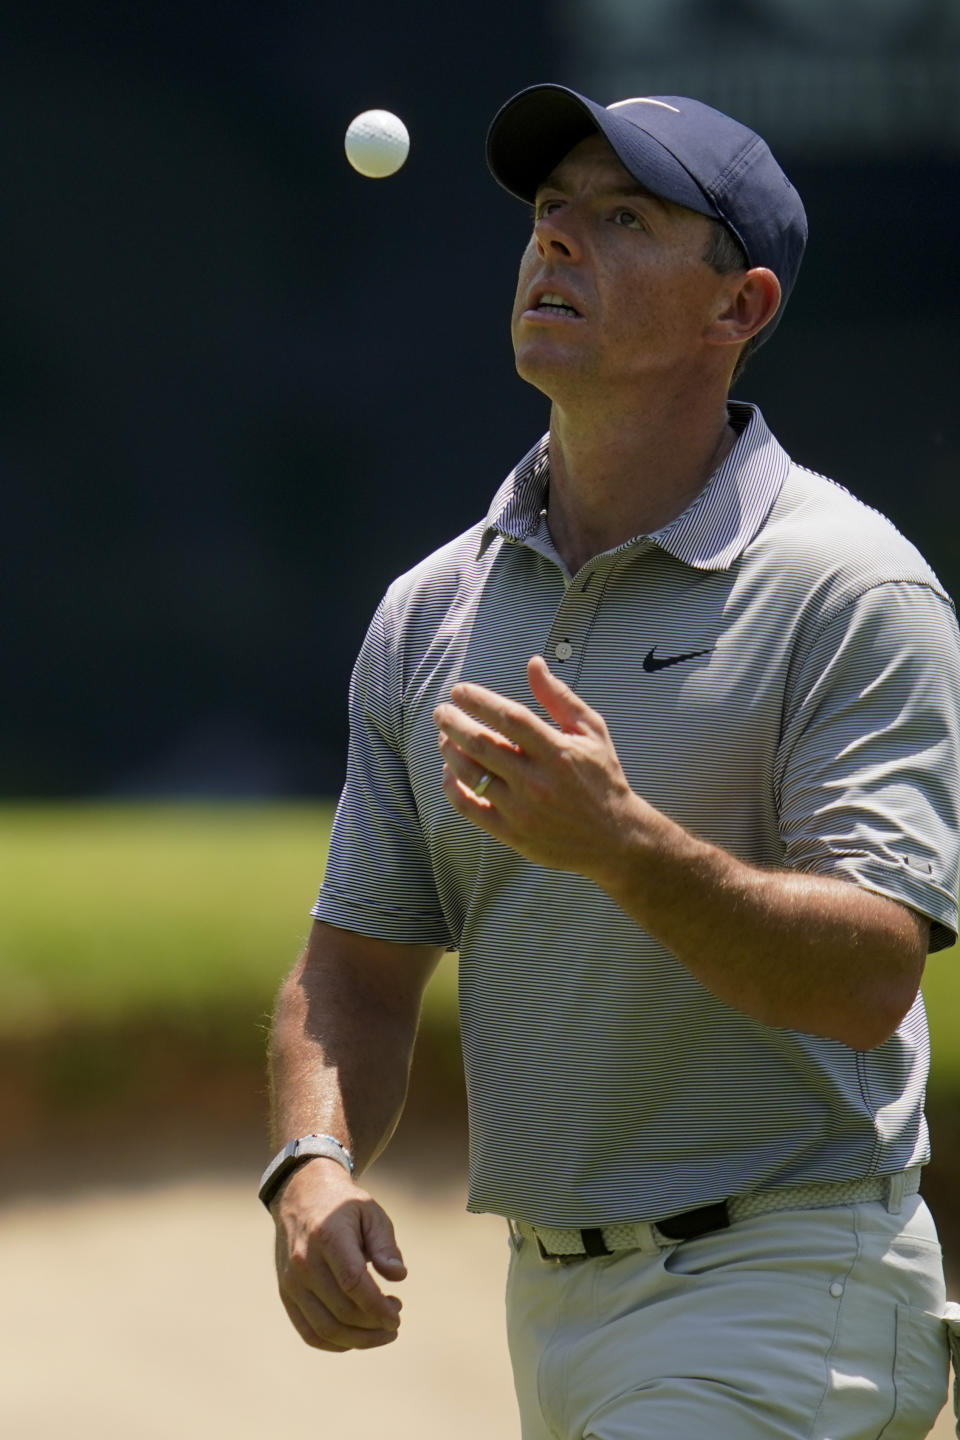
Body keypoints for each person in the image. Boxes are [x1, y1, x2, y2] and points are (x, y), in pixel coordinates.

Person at [262, 84, 960, 1438]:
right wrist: (312, 1160)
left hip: (788, 1289)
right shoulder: (435, 610)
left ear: (738, 309)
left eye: (624, 218)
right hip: (553, 1315)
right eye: (549, 213)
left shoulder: (848, 585)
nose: (559, 244)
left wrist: (624, 846)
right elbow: (355, 964)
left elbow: (873, 970)